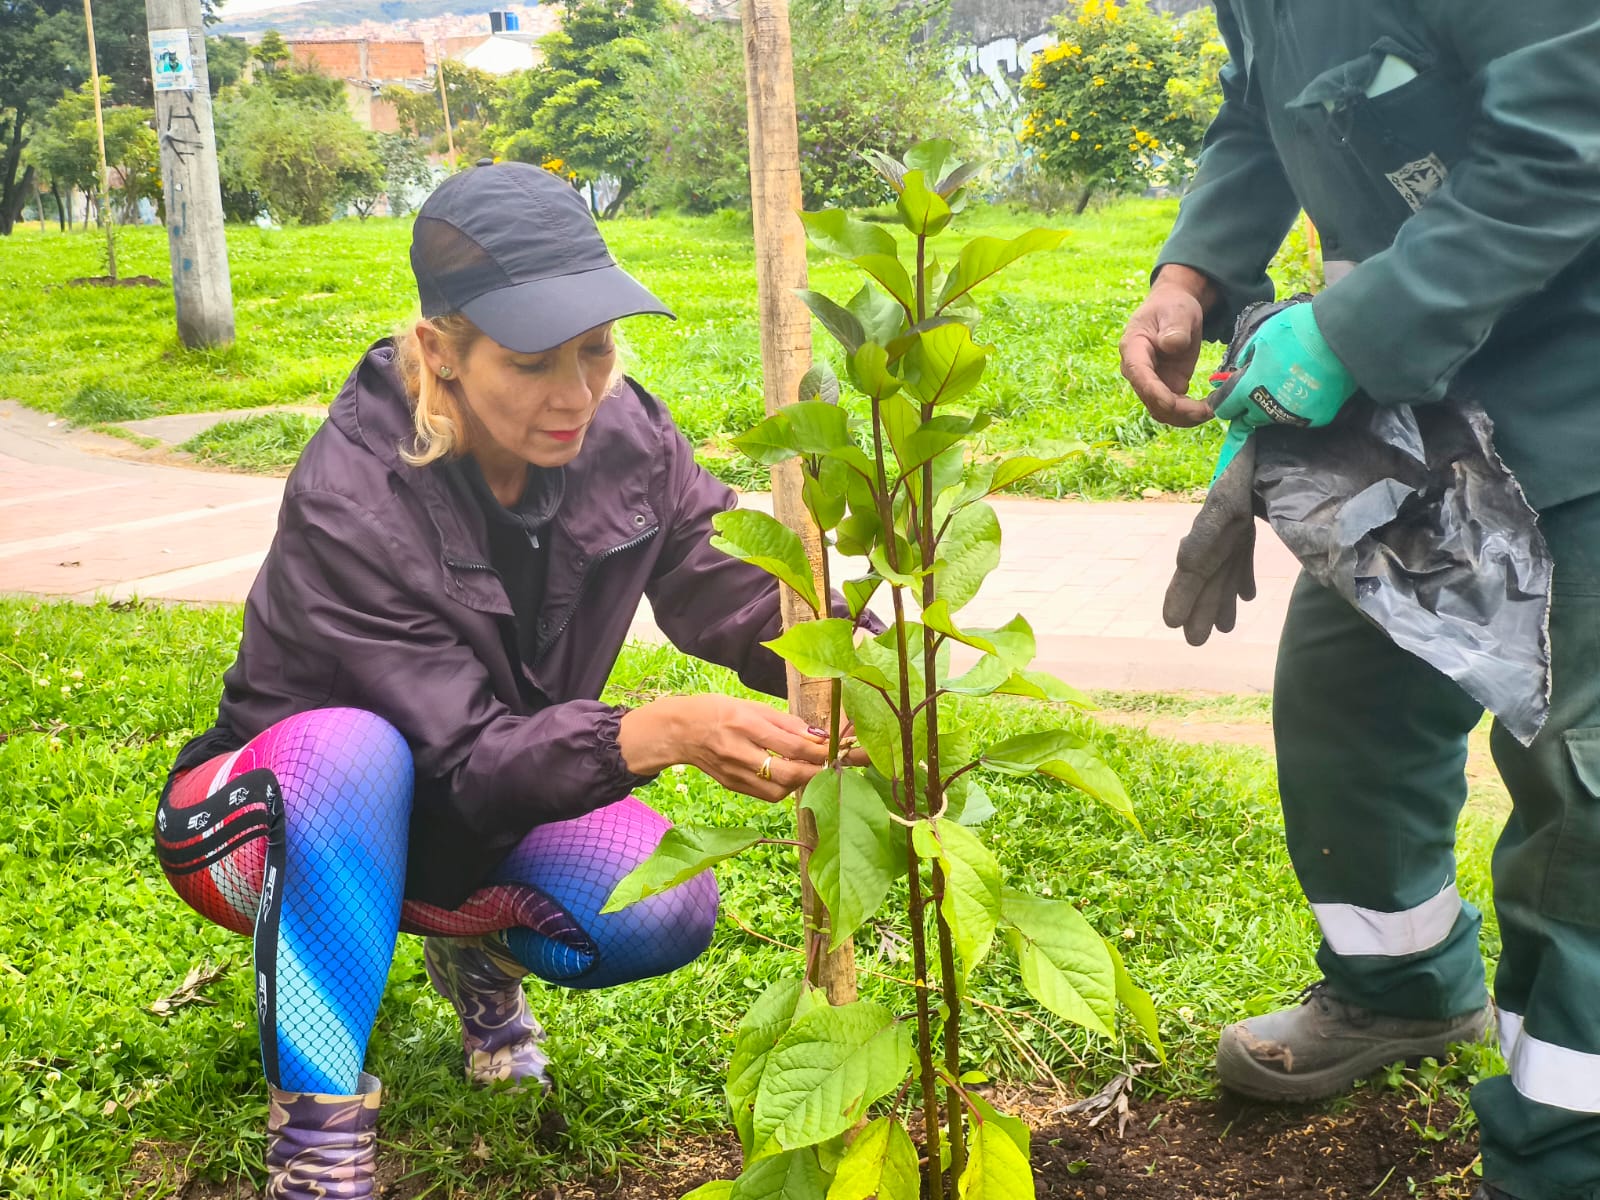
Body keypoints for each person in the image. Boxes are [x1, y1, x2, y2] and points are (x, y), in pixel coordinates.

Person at [153, 161, 860, 1200]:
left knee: (661, 906)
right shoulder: (354, 495)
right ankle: (318, 1146)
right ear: (440, 351)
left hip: (473, 819)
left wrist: (860, 660)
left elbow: (733, 582)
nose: (575, 394)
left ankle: (477, 960)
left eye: (596, 348)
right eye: (532, 362)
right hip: (266, 827)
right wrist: (653, 732)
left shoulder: (626, 437)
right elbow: (457, 755)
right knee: (353, 752)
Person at [1118, 6, 1600, 1200]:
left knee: (1579, 798)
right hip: (1418, 406)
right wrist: (1190, 273)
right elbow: (1260, 104)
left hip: (1577, 394)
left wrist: (1351, 330)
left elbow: (1571, 134)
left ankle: (1566, 1151)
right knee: (1347, 707)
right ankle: (1404, 987)